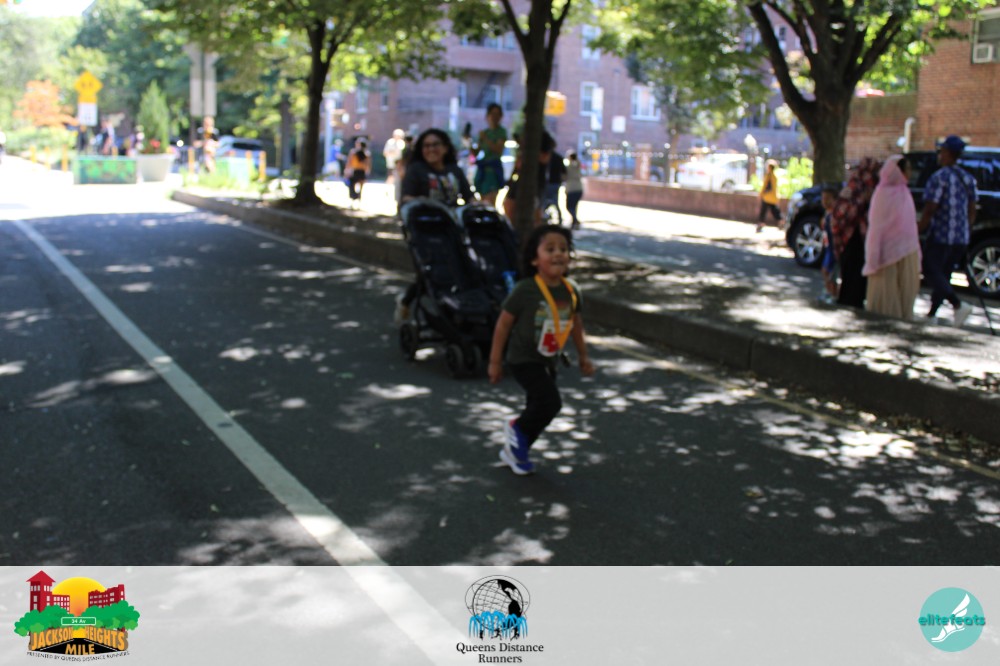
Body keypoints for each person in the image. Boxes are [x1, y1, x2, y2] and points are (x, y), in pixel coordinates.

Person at [488, 224, 596, 475]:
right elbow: (503, 324)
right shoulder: (526, 290)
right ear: (535, 259)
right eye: (550, 249)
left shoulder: (571, 291)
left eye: (563, 249)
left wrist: (584, 356)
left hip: (549, 358)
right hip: (523, 358)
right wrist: (494, 361)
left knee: (537, 406)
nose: (558, 253)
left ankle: (517, 450)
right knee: (550, 402)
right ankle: (517, 430)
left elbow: (576, 324)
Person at [394, 129, 476, 324]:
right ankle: (407, 302)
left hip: (454, 229)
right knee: (430, 271)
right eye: (426, 146)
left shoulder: (454, 171)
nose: (431, 149)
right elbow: (406, 197)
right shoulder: (416, 170)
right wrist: (424, 203)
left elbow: (468, 197)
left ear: (445, 148)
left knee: (460, 267)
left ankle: (458, 307)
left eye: (435, 144)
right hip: (426, 230)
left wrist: (478, 206)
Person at [918, 134, 976, 326]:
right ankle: (932, 314)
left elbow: (930, 208)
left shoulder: (939, 178)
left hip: (941, 235)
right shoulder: (967, 178)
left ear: (948, 153)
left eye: (942, 151)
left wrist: (920, 228)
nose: (939, 155)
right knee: (944, 274)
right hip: (960, 237)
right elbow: (972, 209)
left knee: (930, 270)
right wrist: (967, 230)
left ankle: (956, 304)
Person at [863, 156, 922, 320]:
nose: (910, 173)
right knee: (886, 296)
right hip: (886, 254)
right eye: (907, 169)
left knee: (905, 293)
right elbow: (877, 227)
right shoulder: (882, 194)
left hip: (907, 251)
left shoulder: (905, 193)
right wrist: (874, 254)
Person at [830, 158, 880, 309]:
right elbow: (842, 213)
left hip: (860, 239)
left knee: (857, 273)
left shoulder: (871, 188)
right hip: (851, 237)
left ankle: (854, 301)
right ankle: (847, 300)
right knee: (851, 271)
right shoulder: (855, 188)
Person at [474, 103, 508, 205]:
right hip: (482, 171)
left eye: (497, 114)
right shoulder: (485, 132)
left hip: (493, 171)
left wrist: (485, 139)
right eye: (492, 114)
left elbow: (498, 150)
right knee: (481, 202)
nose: (494, 117)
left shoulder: (501, 132)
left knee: (490, 203)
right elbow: (476, 152)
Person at [818, 184, 840, 303]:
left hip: (833, 249)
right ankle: (829, 292)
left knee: (829, 272)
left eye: (828, 198)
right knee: (827, 271)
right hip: (828, 248)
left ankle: (833, 294)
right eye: (823, 198)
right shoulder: (827, 214)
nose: (825, 201)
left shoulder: (833, 215)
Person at [756, 159, 781, 232]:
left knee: (763, 211)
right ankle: (781, 221)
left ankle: (761, 224)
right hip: (773, 197)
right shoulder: (775, 176)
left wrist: (760, 194)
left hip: (767, 197)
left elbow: (764, 186)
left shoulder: (768, 175)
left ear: (769, 167)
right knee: (775, 211)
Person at [346, 139, 370, 208]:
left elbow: (349, 162)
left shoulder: (355, 153)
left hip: (357, 171)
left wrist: (347, 170)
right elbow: (368, 165)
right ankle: (356, 201)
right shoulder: (366, 154)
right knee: (358, 187)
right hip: (360, 172)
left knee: (352, 186)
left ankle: (354, 200)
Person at [564, 151, 584, 229]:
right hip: (579, 188)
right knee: (574, 207)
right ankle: (574, 221)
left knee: (569, 206)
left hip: (571, 189)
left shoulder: (569, 167)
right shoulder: (578, 166)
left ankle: (575, 220)